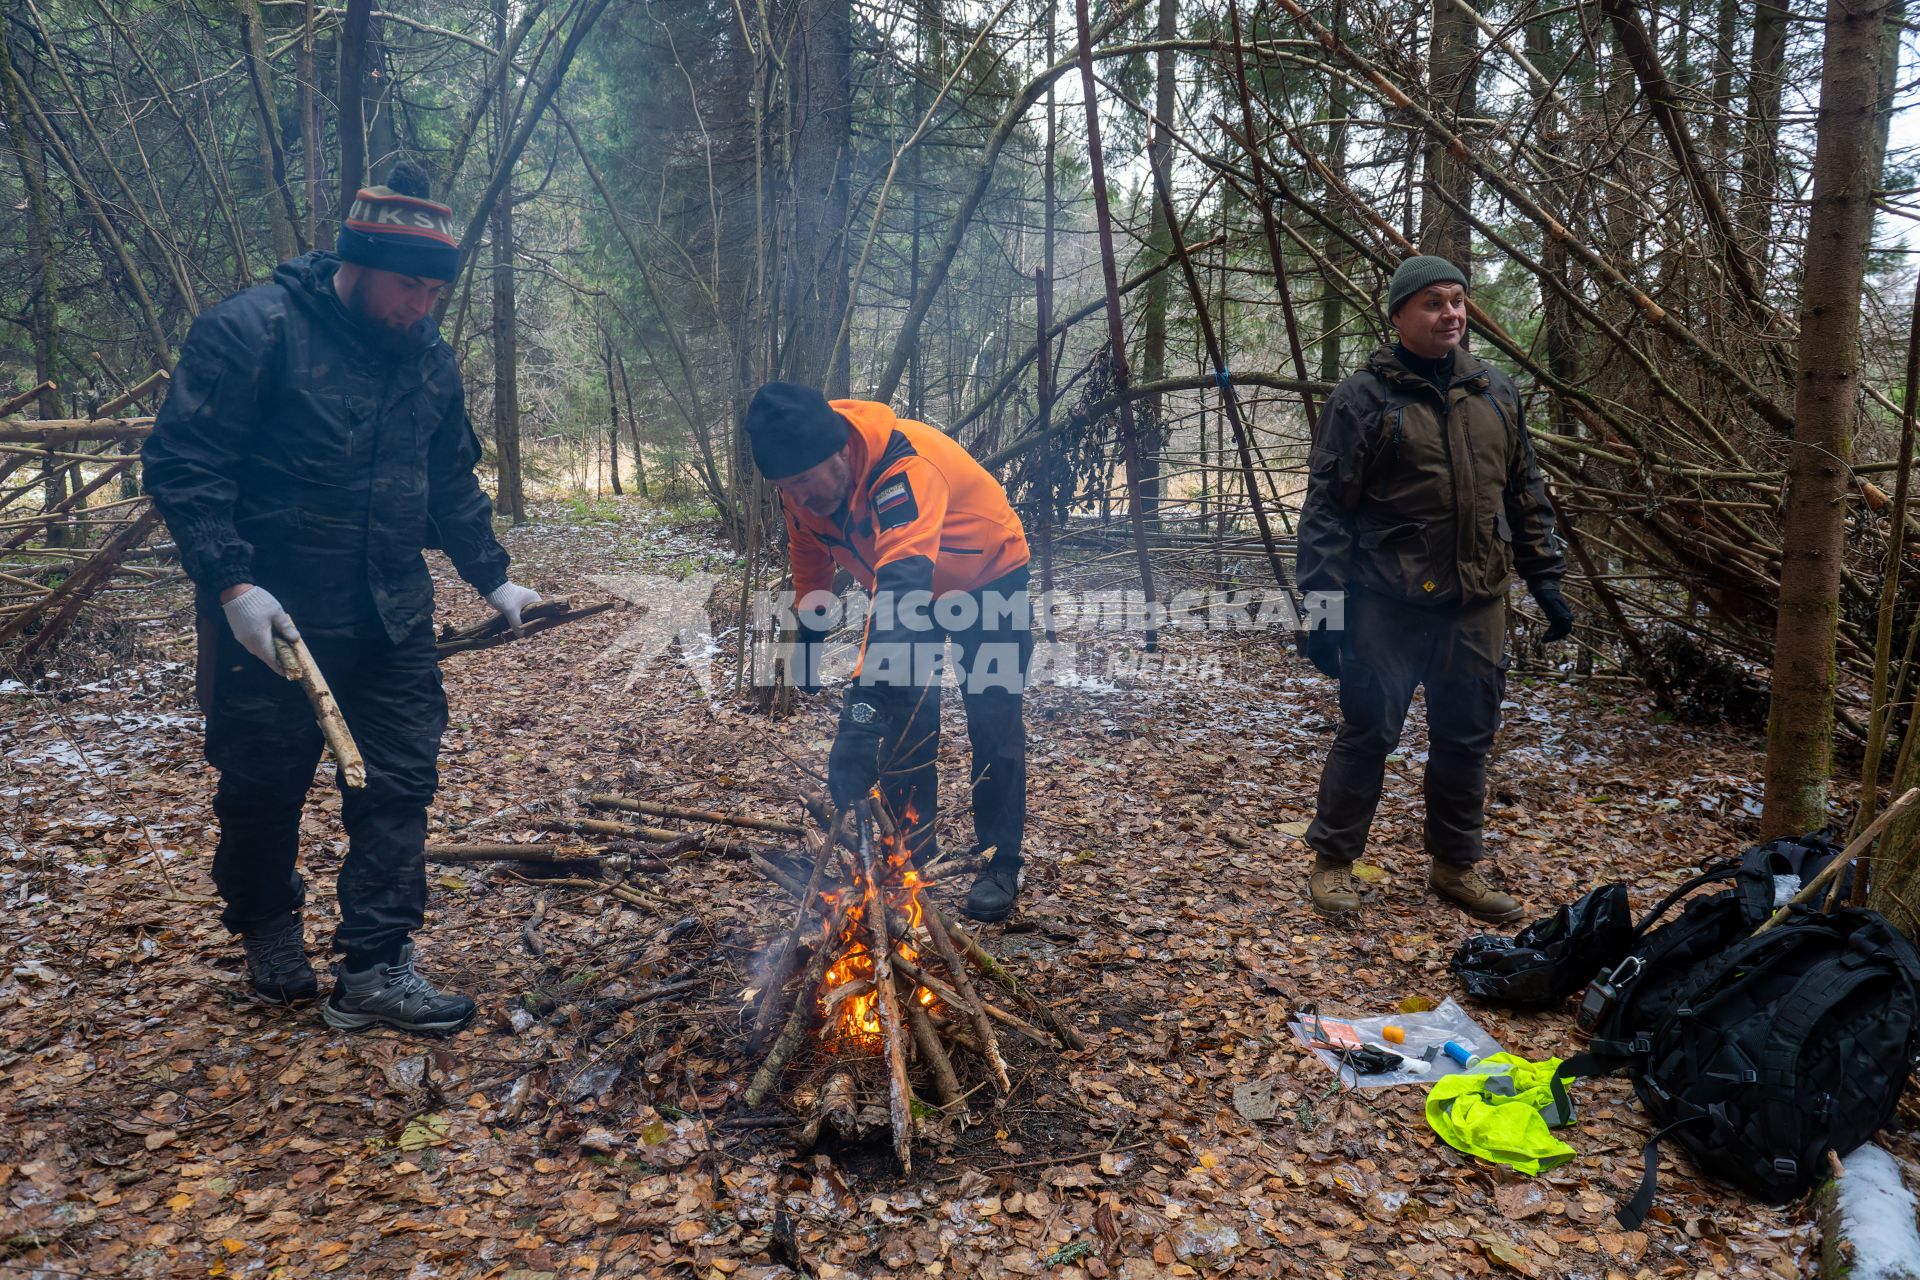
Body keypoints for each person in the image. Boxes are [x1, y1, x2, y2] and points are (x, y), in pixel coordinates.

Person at [142, 162, 541, 1034]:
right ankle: (269, 931)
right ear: (354, 263)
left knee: (398, 783)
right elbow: (183, 463)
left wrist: (492, 574)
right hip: (274, 621)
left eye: (436, 290)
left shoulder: (428, 358)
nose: (422, 306)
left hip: (393, 615)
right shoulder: (254, 331)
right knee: (261, 787)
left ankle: (377, 965)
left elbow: (447, 478)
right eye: (409, 285)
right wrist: (233, 583)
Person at [1296, 255, 1572, 923]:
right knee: (1369, 733)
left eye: (1457, 301)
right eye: (1432, 303)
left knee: (1466, 738)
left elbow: (1525, 492)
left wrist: (1546, 577)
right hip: (1384, 604)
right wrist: (1322, 611)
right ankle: (1333, 863)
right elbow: (1327, 511)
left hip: (1476, 603)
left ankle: (1455, 866)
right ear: (1397, 315)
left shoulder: (1495, 392)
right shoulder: (1362, 399)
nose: (1451, 313)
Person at [745, 382, 1033, 922]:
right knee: (904, 719)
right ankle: (910, 857)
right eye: (787, 488)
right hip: (905, 586)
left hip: (986, 576)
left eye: (805, 481)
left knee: (993, 718)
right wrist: (810, 626)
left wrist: (858, 713)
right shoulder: (801, 489)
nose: (800, 498)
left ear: (839, 451)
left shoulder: (904, 469)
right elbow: (807, 552)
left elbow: (902, 589)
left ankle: (1000, 860)